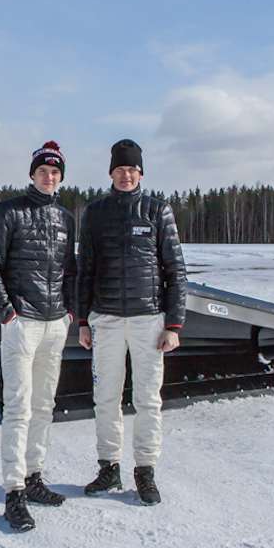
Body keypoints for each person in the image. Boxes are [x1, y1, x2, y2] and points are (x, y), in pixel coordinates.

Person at [77, 139, 187, 506]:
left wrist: (173, 325)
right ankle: (109, 466)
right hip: (105, 319)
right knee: (105, 398)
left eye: (132, 169)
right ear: (110, 173)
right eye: (119, 169)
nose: (126, 175)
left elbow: (176, 271)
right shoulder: (95, 213)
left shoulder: (157, 211)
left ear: (141, 173)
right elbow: (85, 270)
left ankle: (145, 470)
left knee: (146, 399)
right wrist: (83, 320)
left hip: (148, 320)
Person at [0, 141, 77, 531]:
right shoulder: (10, 211)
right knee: (18, 408)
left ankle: (35, 477)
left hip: (55, 324)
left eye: (55, 172)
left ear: (60, 178)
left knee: (43, 405)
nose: (49, 177)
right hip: (22, 324)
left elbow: (70, 270)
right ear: (32, 173)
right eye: (43, 170)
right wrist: (7, 314)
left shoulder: (65, 219)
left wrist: (69, 313)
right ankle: (14, 492)